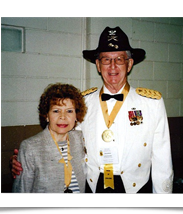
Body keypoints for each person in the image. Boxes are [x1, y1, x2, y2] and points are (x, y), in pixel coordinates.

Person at [11, 26, 173, 193]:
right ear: (98, 64)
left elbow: (163, 160)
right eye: (106, 60)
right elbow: (61, 138)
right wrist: (23, 161)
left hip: (136, 187)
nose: (112, 66)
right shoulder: (82, 102)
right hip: (93, 186)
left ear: (129, 64)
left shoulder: (151, 103)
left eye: (119, 59)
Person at [12, 83, 87, 193]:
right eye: (56, 111)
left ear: (76, 116)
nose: (63, 116)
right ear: (46, 115)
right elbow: (21, 191)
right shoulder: (30, 147)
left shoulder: (80, 139)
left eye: (69, 111)